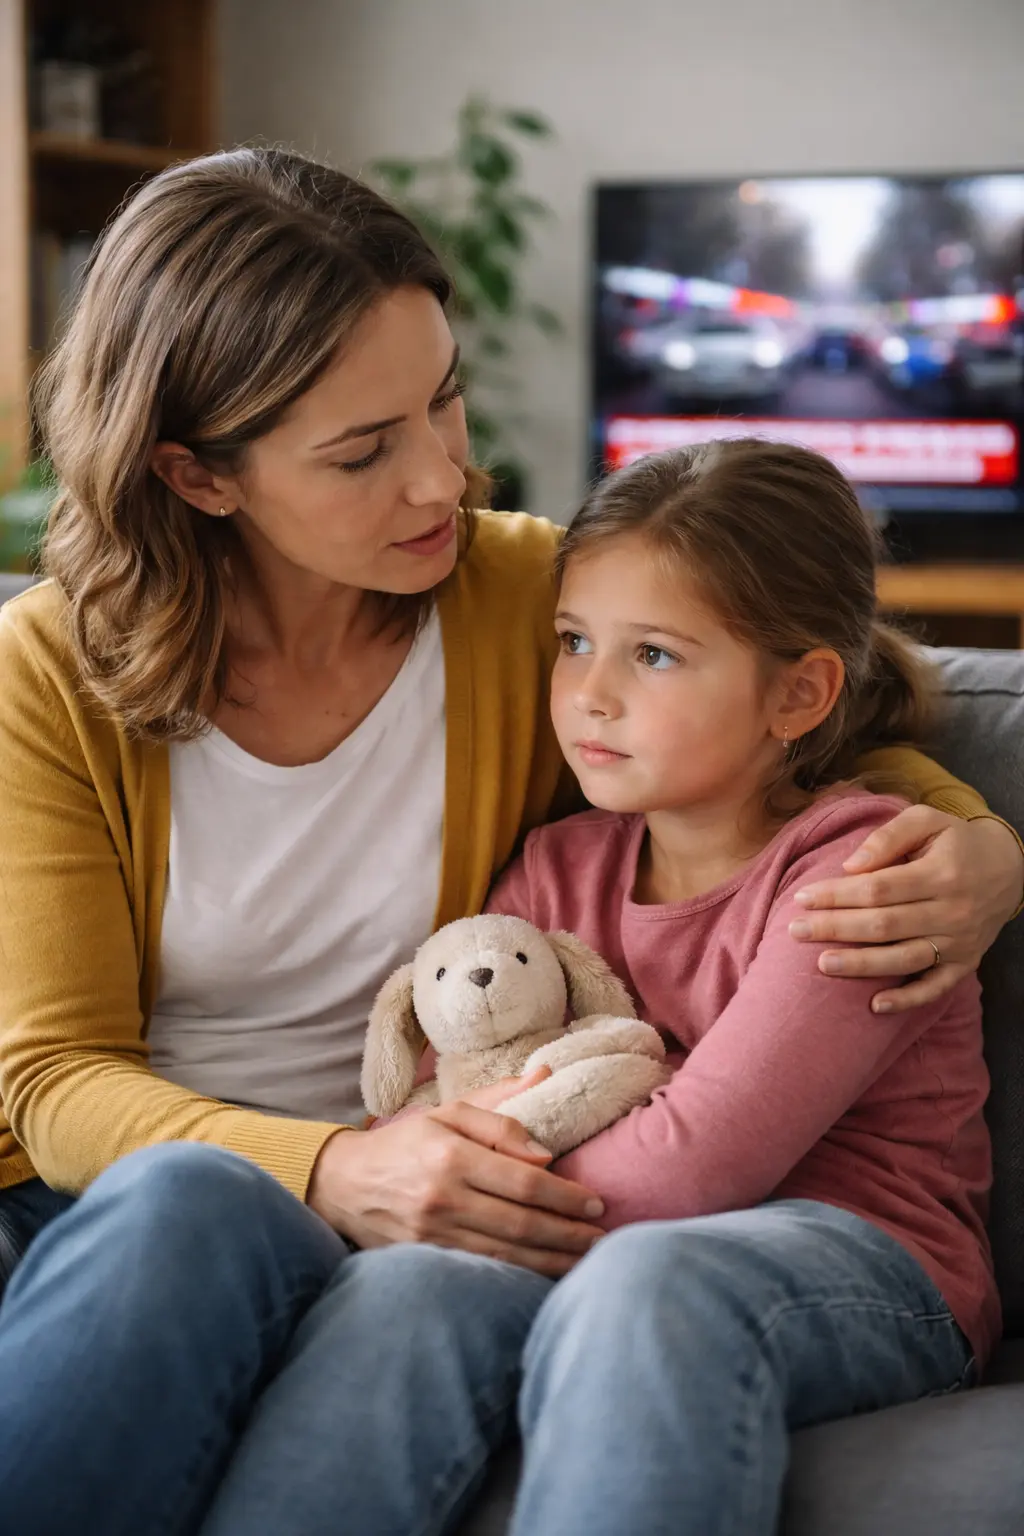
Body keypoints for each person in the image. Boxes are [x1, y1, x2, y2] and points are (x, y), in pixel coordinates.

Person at [0, 147, 1017, 1533]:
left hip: (475, 1196)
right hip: (187, 1201)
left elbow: (811, 702)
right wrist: (345, 1166)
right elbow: (51, 1078)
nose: (445, 479)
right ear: (198, 474)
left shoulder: (527, 595)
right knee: (192, 1202)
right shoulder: (48, 671)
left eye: (444, 399)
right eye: (365, 450)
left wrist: (983, 846)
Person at [482, 438, 1001, 1535]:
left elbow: (689, 1167)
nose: (591, 696)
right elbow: (461, 1089)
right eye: (574, 643)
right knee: (400, 1299)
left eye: (655, 657)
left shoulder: (863, 876)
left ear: (799, 693)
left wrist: (483, 1194)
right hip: (627, 1248)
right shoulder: (555, 866)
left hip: (868, 1264)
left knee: (651, 1284)